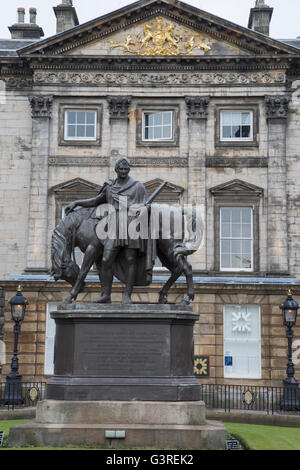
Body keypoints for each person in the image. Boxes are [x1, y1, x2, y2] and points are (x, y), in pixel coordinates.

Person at [64, 157, 155, 304]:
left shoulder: (138, 186)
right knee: (106, 260)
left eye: (126, 169)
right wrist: (76, 202)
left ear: (129, 170)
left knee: (131, 259)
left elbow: (147, 207)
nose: (124, 171)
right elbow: (96, 201)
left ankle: (127, 295)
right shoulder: (110, 186)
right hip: (112, 225)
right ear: (116, 170)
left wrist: (145, 208)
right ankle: (106, 295)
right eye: (121, 169)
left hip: (131, 225)